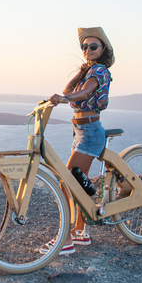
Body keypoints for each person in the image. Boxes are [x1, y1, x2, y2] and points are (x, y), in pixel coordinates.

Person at [44, 26, 114, 256]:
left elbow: (84, 93)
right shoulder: (89, 71)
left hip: (91, 130)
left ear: (102, 49)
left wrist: (65, 98)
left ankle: (65, 240)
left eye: (93, 46)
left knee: (67, 182)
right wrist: (80, 72)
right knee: (76, 180)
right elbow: (69, 89)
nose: (87, 50)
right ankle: (80, 232)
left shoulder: (101, 71)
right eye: (84, 47)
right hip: (80, 130)